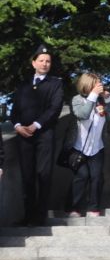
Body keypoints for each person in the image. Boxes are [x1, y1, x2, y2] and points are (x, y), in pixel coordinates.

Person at [7, 45, 62, 226]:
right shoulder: (23, 85)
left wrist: (36, 125)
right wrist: (17, 126)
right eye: (41, 61)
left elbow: (54, 109)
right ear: (33, 63)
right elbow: (14, 110)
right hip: (24, 137)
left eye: (48, 61)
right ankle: (28, 215)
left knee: (43, 174)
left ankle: (40, 216)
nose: (45, 64)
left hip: (44, 135)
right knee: (27, 176)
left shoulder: (55, 83)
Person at [66, 72, 110, 217]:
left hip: (97, 148)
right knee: (82, 176)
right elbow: (83, 114)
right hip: (79, 148)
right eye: (96, 83)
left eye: (100, 83)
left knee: (97, 177)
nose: (99, 86)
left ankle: (94, 208)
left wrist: (108, 99)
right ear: (88, 84)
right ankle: (74, 208)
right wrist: (92, 96)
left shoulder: (101, 102)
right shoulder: (77, 100)